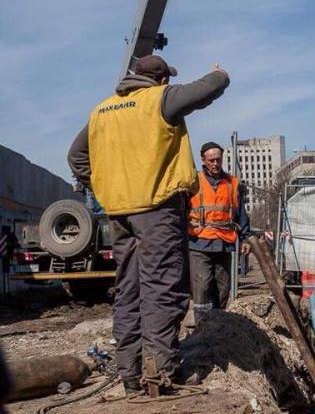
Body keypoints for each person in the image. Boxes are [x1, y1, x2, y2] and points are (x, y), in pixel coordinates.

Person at [67, 55, 229, 394]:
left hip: (121, 214)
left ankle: (131, 374)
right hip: (157, 210)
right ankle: (159, 373)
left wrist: (106, 185)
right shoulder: (159, 99)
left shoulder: (102, 111)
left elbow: (76, 157)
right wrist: (220, 73)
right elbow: (209, 88)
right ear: (161, 81)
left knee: (129, 289)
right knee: (162, 289)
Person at [187, 142, 251, 324]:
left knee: (223, 288)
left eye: (218, 160)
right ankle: (202, 325)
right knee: (202, 286)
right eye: (211, 160)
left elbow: (240, 213)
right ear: (203, 160)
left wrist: (245, 237)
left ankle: (218, 323)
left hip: (224, 243)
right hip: (199, 242)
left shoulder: (232, 183)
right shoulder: (193, 182)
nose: (215, 163)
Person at [0, 226, 18, 294]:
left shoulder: (3, 235)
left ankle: (6, 290)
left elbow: (15, 243)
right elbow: (16, 243)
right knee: (6, 271)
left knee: (6, 270)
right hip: (7, 255)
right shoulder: (10, 235)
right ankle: (6, 291)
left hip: (6, 255)